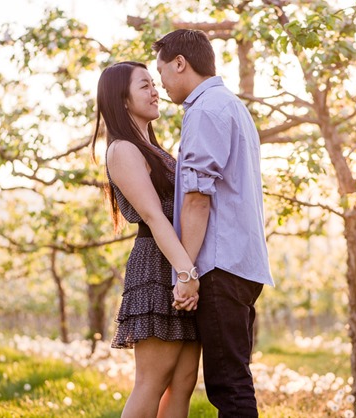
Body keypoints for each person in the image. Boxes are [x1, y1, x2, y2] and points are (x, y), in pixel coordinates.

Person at [153, 30, 275, 417]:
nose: (162, 85)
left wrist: (185, 271)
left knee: (229, 386)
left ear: (179, 63)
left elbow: (197, 198)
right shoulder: (232, 106)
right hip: (242, 263)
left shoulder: (205, 110)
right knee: (233, 379)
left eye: (161, 73)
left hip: (220, 265)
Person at [90, 61, 201, 418]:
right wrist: (186, 272)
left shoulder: (152, 147)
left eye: (153, 84)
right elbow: (154, 217)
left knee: (183, 383)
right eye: (145, 86)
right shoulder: (123, 150)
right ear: (122, 100)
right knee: (152, 382)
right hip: (158, 266)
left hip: (180, 263)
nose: (155, 91)